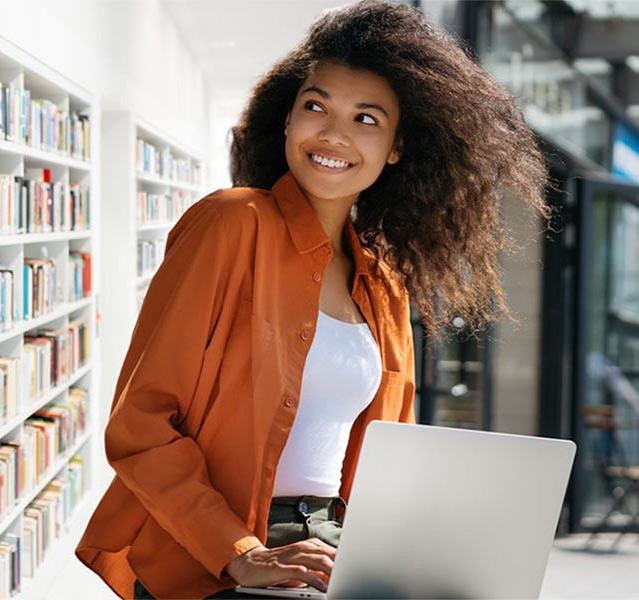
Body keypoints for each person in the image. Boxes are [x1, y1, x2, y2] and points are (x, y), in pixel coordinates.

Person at [76, 1, 548, 598]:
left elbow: (388, 456)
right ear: (287, 119)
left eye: (366, 119)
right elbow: (139, 424)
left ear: (398, 148)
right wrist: (240, 552)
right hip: (215, 553)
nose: (332, 134)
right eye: (316, 106)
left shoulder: (384, 285)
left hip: (335, 545)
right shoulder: (230, 223)